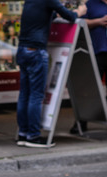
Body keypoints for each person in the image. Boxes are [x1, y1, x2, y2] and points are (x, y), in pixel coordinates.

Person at [16, 0, 87, 148]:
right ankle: (33, 136)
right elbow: (70, 17)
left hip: (23, 49)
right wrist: (80, 11)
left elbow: (48, 15)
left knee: (24, 94)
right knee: (36, 95)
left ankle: (23, 134)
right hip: (36, 51)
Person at [70, 0, 107, 135]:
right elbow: (80, 23)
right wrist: (98, 22)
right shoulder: (91, 4)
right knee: (88, 88)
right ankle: (81, 122)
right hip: (95, 52)